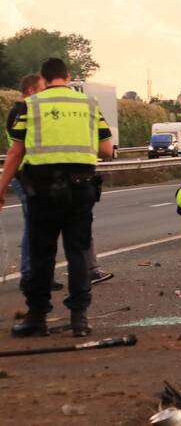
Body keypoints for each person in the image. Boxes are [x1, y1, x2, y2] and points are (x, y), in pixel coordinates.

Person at [0, 58, 113, 337]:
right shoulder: (89, 105)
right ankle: (79, 319)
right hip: (82, 187)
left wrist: (1, 188)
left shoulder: (31, 105)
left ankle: (37, 318)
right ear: (68, 76)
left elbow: (16, 152)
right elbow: (107, 149)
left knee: (42, 254)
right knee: (78, 252)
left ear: (44, 78)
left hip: (42, 189)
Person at [4, 74, 59, 290]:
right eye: (43, 88)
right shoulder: (23, 110)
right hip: (26, 175)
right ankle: (30, 275)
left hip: (27, 174)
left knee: (38, 225)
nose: (46, 92)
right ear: (31, 91)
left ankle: (35, 274)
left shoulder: (21, 110)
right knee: (35, 226)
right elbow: (18, 149)